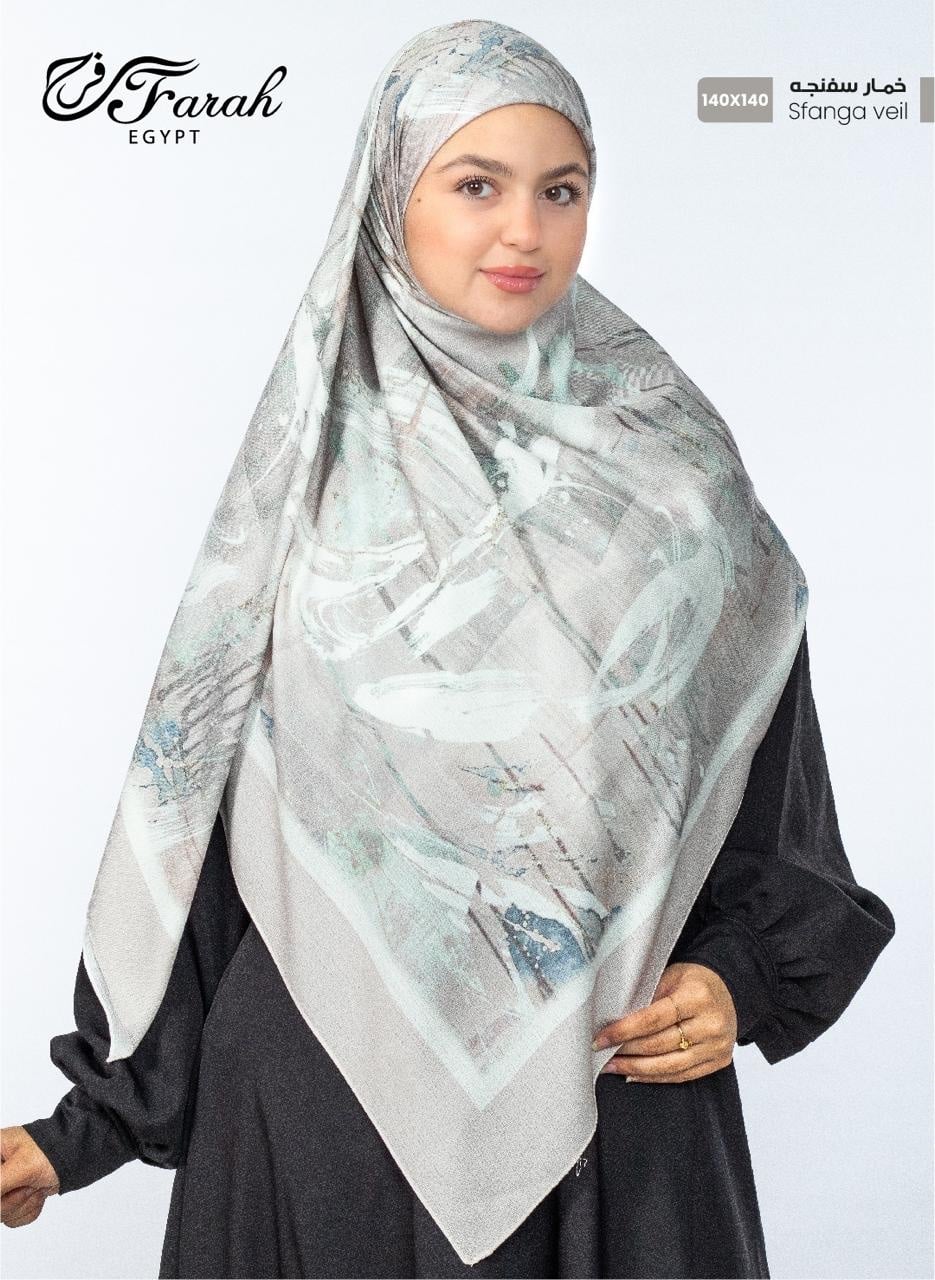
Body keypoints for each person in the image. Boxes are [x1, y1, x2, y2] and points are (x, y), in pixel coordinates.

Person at [1, 19, 895, 1280]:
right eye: (475, 185)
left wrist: (741, 977)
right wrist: (83, 1126)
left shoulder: (679, 493)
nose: (522, 230)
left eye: (559, 190)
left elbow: (779, 824)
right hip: (314, 1124)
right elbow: (201, 830)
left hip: (613, 1111)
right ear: (387, 199)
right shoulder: (301, 488)